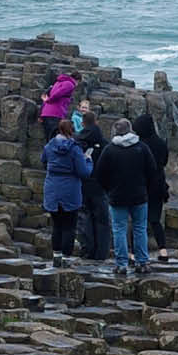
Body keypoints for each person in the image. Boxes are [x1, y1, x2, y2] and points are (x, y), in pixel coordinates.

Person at [94, 118, 162, 276]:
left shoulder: (110, 149)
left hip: (117, 196)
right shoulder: (141, 147)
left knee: (119, 230)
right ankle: (142, 262)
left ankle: (121, 264)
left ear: (115, 131)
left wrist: (109, 189)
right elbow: (153, 171)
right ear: (130, 130)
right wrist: (146, 188)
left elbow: (99, 173)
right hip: (139, 195)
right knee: (140, 228)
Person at [39, 118, 91, 266]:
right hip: (70, 190)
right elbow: (84, 172)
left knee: (57, 225)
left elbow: (43, 160)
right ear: (71, 130)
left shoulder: (49, 146)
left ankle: (56, 257)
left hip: (52, 189)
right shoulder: (75, 149)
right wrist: (88, 161)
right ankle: (66, 259)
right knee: (69, 226)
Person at [131, 112, 171, 264]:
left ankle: (135, 254)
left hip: (141, 185)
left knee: (138, 222)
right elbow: (165, 161)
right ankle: (163, 251)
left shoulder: (139, 144)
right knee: (155, 220)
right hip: (158, 185)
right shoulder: (161, 143)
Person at [73, 100, 111, 261]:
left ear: (82, 123)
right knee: (102, 220)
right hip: (100, 185)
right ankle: (101, 253)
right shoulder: (104, 144)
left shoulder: (76, 142)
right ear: (96, 122)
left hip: (82, 184)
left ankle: (87, 250)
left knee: (84, 218)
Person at [38, 73, 77, 138]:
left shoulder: (57, 83)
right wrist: (49, 100)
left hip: (46, 113)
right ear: (77, 80)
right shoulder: (70, 84)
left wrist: (40, 114)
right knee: (54, 138)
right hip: (55, 114)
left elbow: (48, 95)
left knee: (49, 138)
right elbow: (57, 94)